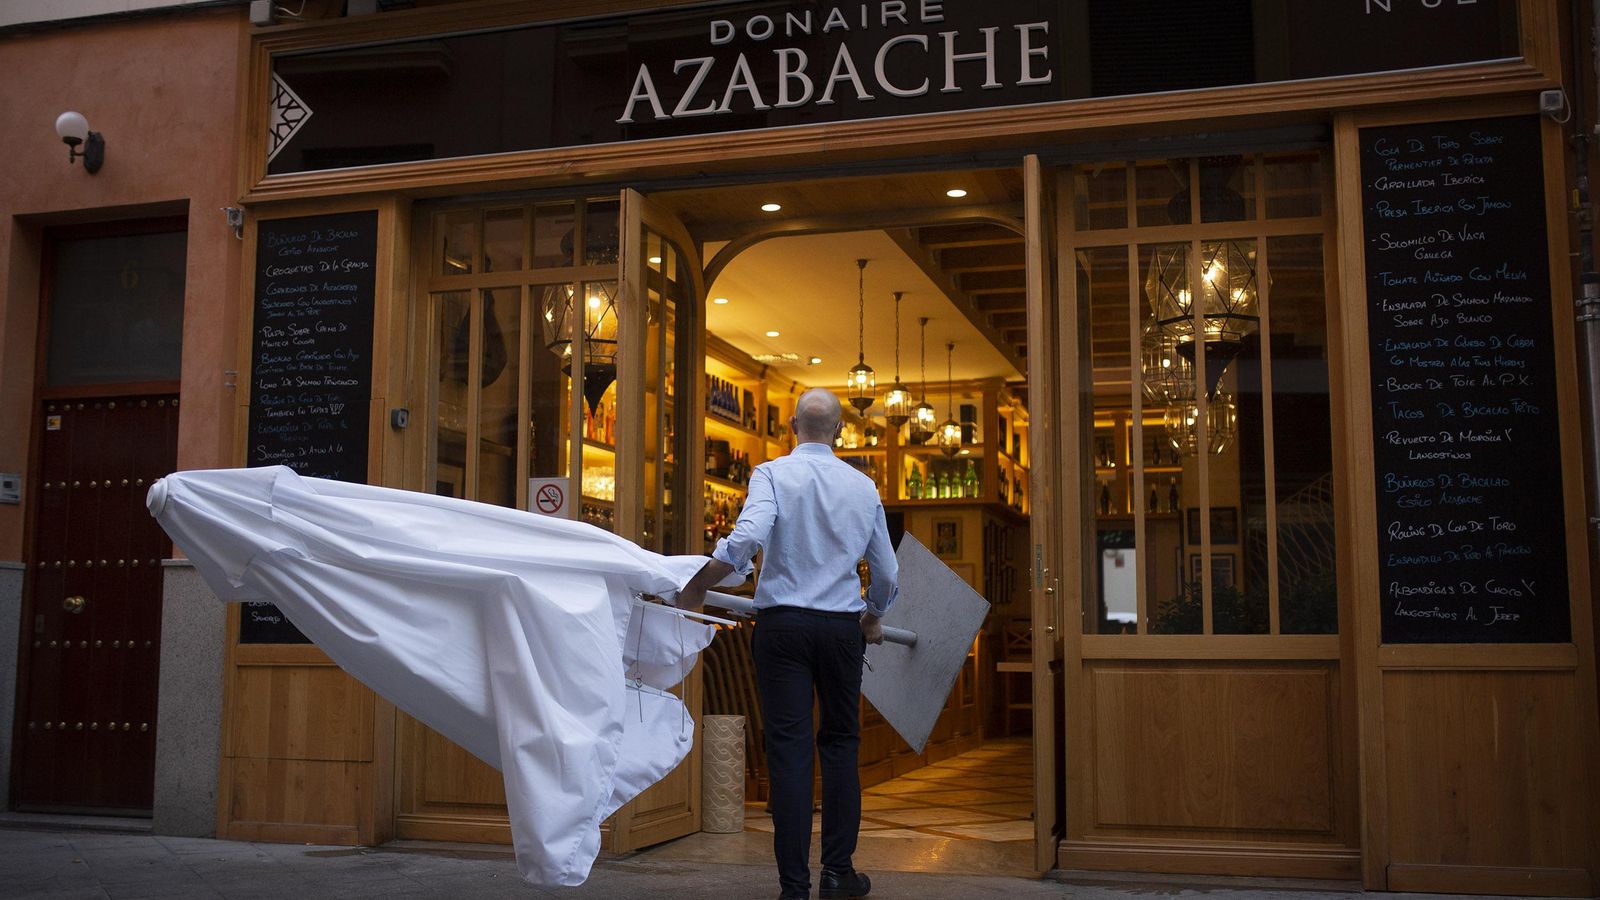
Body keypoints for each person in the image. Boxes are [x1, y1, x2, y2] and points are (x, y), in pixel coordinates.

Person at [677, 388, 898, 900]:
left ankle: (794, 888)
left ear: (792, 425)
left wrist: (698, 584)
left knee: (790, 752)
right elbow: (885, 571)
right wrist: (874, 616)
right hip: (842, 630)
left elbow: (749, 537)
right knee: (841, 746)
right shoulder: (863, 486)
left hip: (782, 627)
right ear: (840, 431)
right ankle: (839, 874)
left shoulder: (773, 474)